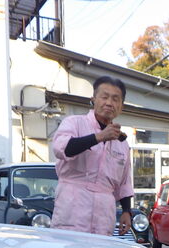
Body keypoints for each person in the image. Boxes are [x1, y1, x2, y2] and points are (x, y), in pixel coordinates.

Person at [51, 75, 134, 236]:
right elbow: (62, 148)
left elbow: (124, 182)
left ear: (121, 106)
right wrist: (99, 137)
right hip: (72, 208)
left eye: (115, 99)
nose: (109, 103)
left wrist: (126, 211)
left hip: (104, 213)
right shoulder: (74, 123)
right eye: (104, 97)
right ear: (93, 99)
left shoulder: (122, 143)